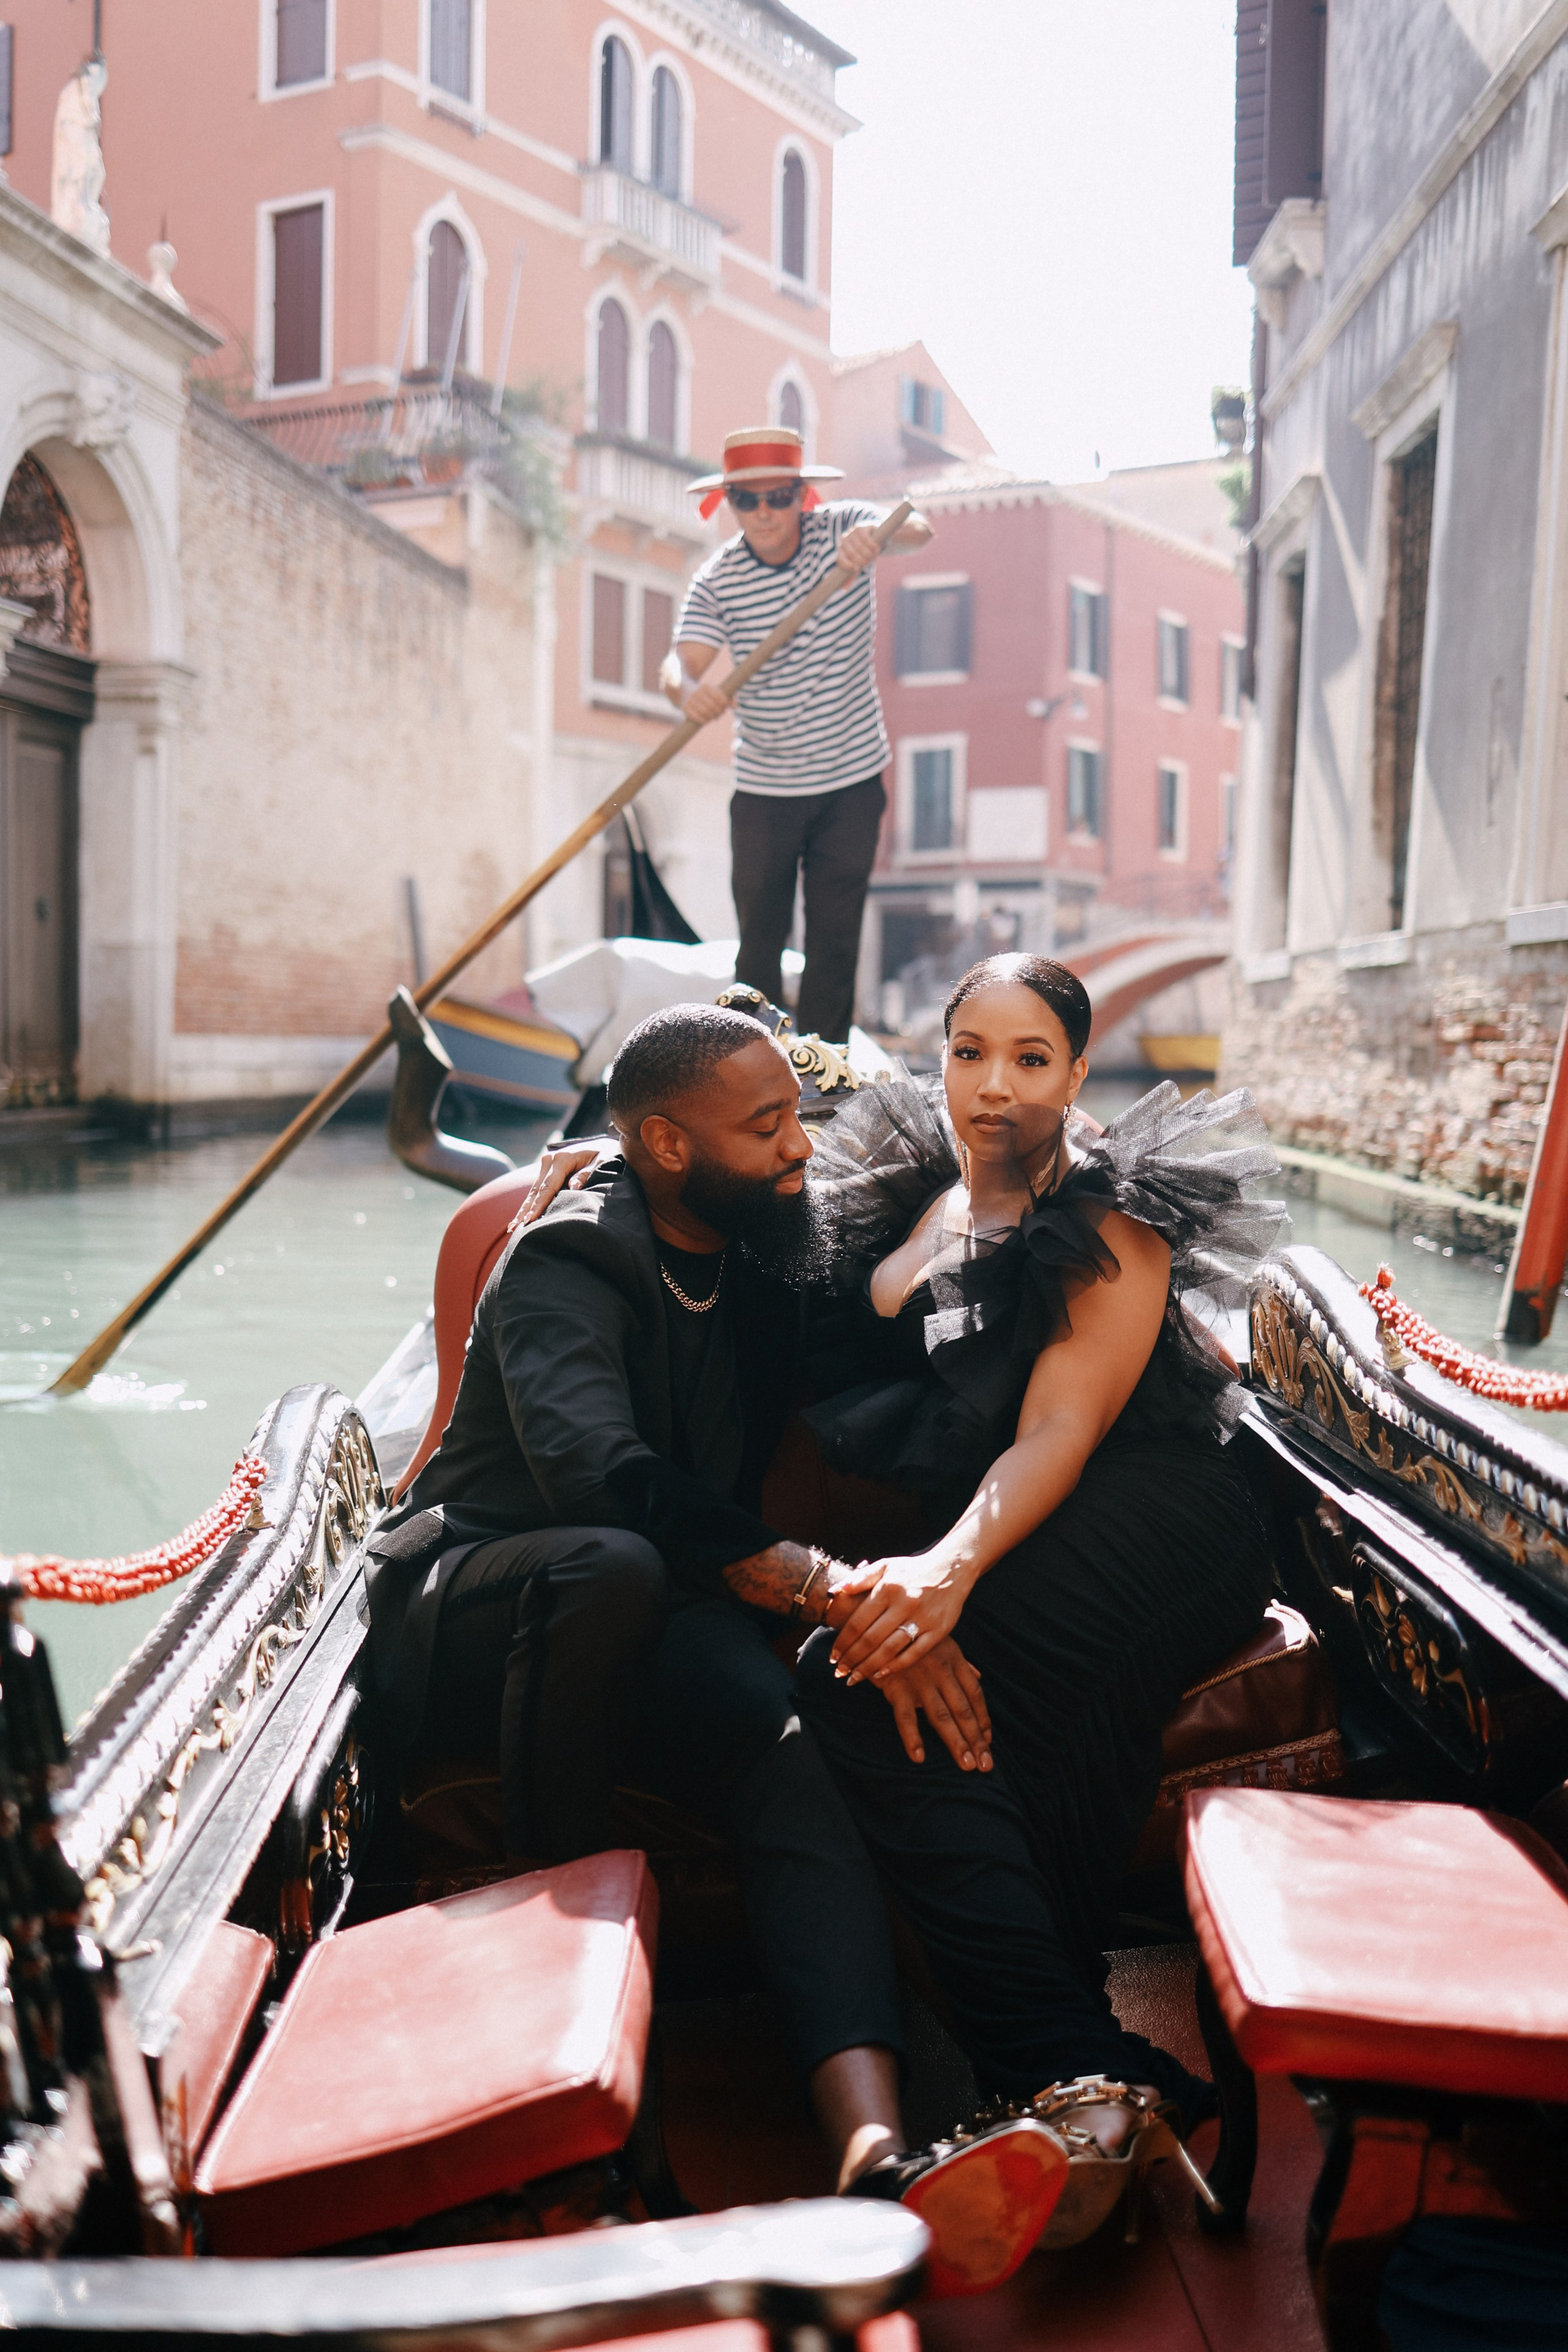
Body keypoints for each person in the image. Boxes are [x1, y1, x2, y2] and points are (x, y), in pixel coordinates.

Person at [364, 1001, 1069, 2295]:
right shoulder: (568, 1257)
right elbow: (601, 1475)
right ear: (664, 1147)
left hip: (658, 1608)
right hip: (481, 1606)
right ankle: (576, 2092)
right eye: (766, 1126)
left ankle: (871, 2153)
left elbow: (887, 1302)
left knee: (793, 1748)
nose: (797, 1145)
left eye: (793, 1114)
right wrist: (815, 1580)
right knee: (612, 1565)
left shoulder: (755, 1244)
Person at [788, 952, 1287, 2245]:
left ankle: (1073, 2074)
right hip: (1019, 1527)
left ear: (1073, 1074)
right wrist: (597, 1167)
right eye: (967, 1053)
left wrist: (941, 1577)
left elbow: (1056, 1434)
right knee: (858, 1680)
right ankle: (1088, 2081)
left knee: (849, 1690)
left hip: (1160, 1512)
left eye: (1027, 1059)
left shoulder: (1105, 1217)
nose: (991, 1086)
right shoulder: (904, 1201)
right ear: (937, 1056)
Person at [664, 426, 933, 1044]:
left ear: (801, 496)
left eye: (778, 497)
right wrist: (687, 691)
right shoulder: (719, 577)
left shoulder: (843, 530)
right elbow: (681, 662)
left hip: (851, 777)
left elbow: (918, 531)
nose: (763, 513)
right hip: (764, 784)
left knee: (835, 937)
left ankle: (823, 1077)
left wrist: (880, 538)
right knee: (758, 942)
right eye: (747, 501)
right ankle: (748, 1065)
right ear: (729, 502)